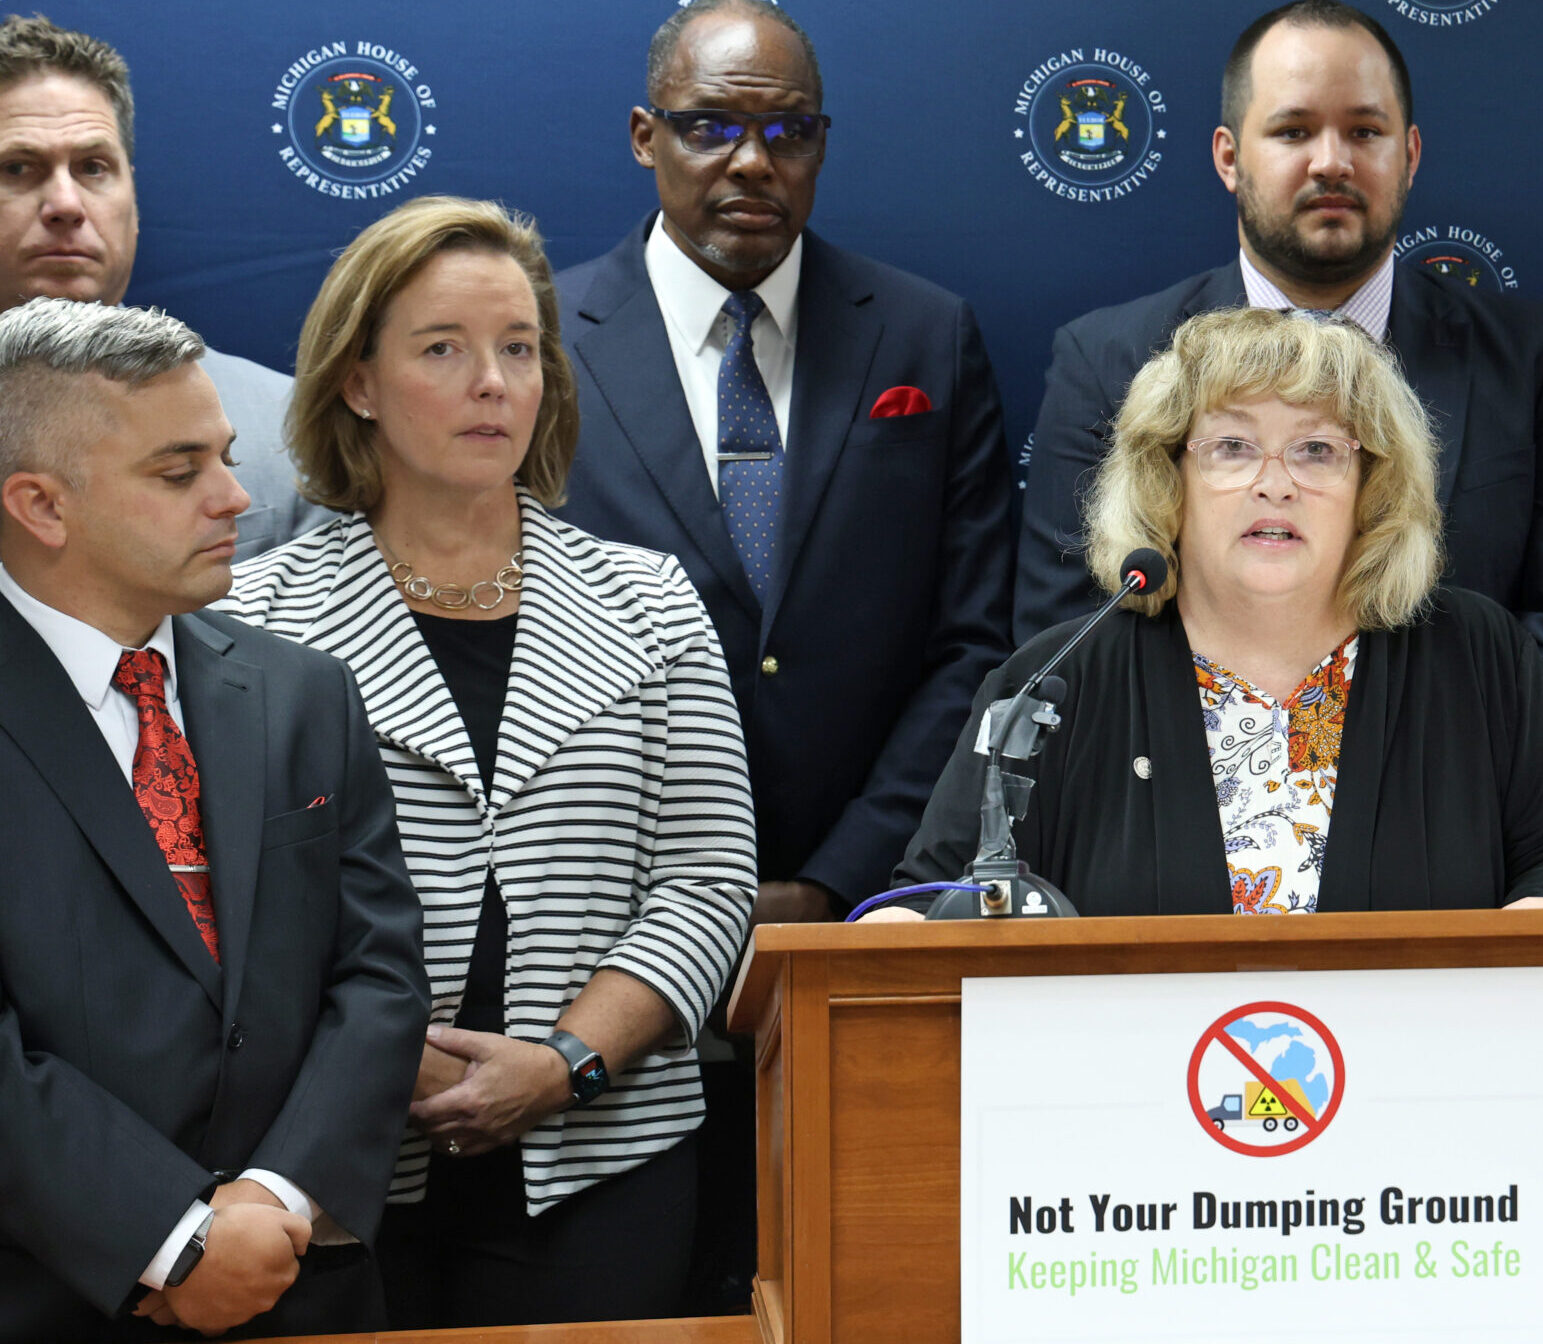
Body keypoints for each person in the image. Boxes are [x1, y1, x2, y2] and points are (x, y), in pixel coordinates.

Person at [217, 196, 756, 1327]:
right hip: (337, 1157)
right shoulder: (254, 619)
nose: (494, 383)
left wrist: (566, 1062)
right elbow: (234, 907)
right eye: (444, 349)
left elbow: (707, 882)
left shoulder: (649, 601)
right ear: (358, 382)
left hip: (602, 1153)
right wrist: (379, 1059)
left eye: (519, 349)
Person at [549, 0, 1011, 1307]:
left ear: (821, 144)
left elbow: (979, 645)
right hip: (609, 960)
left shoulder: (926, 336)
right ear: (646, 137)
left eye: (786, 131)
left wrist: (831, 882)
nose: (751, 162)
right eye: (710, 127)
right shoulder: (536, 344)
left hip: (870, 934)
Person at [1014, 0, 1543, 739]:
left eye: (1364, 131)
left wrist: (1419, 792)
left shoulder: (1535, 359)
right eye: (1293, 131)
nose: (1332, 160)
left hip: (1463, 823)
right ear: (1228, 157)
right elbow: (1064, 644)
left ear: (1408, 155)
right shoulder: (1105, 361)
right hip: (1179, 824)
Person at [890, 307, 1543, 916]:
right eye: (1233, 447)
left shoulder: (1477, 656)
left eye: (1316, 451)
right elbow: (935, 897)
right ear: (1169, 476)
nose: (1275, 484)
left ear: (1370, 486)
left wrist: (1517, 952)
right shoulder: (1054, 683)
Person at [0, 298, 426, 1340]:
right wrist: (167, 1239)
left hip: (301, 1289)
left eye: (227, 457)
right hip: (54, 1293)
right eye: (179, 471)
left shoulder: (305, 694)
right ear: (41, 505)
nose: (237, 498)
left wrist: (275, 1200)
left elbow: (379, 972)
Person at [0, 15, 330, 557]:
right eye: (17, 168)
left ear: (133, 204)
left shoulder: (289, 428)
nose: (64, 204)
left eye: (93, 167)